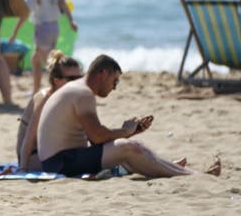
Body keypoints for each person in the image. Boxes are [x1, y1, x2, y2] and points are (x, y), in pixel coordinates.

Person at [37, 54, 221, 178]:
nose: (115, 87)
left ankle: (178, 170)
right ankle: (193, 176)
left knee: (130, 148)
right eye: (114, 81)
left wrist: (130, 132)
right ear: (103, 74)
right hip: (60, 163)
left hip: (63, 159)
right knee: (129, 148)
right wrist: (125, 131)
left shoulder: (78, 90)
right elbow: (98, 137)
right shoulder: (83, 93)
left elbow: (97, 141)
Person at [10, 0, 78, 95]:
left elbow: (25, 13)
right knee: (36, 59)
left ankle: (57, 89)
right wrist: (71, 20)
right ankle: (37, 90)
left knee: (51, 63)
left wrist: (15, 32)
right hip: (54, 27)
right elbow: (64, 6)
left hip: (42, 30)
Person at [16, 50, 82, 171]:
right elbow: (29, 138)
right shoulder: (44, 99)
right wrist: (23, 168)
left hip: (54, 149)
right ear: (57, 81)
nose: (78, 83)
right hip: (32, 154)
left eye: (80, 78)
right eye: (72, 79)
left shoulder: (73, 96)